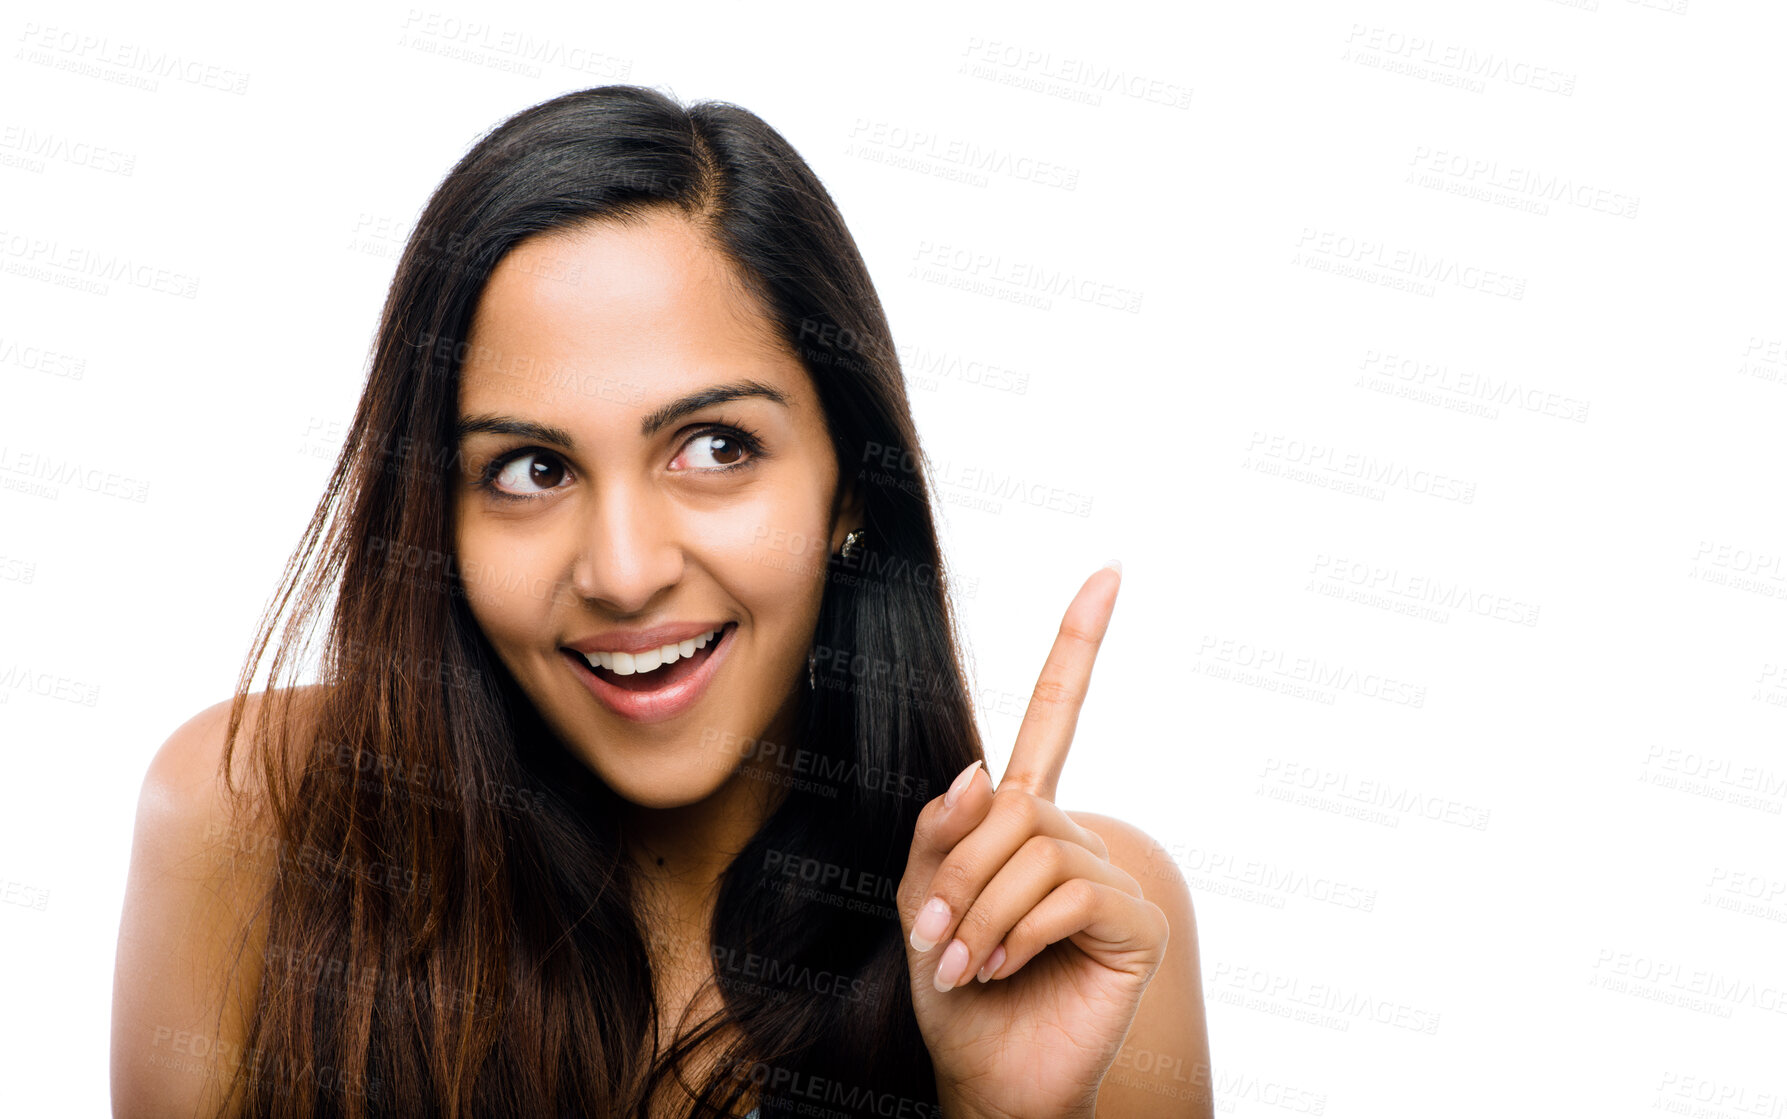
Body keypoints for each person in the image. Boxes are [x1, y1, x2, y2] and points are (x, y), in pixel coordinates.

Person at [110, 84, 1212, 1118]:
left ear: (850, 485)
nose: (625, 571)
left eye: (715, 446)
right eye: (529, 470)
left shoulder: (1079, 930)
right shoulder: (245, 823)